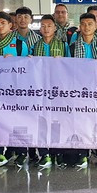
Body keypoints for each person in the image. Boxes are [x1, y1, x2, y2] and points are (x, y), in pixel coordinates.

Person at [70, 12, 97, 169]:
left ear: (96, 26)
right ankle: (82, 155)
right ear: (79, 27)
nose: (87, 27)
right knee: (81, 123)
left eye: (90, 24)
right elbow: (67, 69)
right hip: (80, 91)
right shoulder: (73, 46)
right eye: (83, 24)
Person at [0, 12, 27, 167]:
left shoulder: (20, 44)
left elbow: (28, 67)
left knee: (16, 122)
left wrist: (14, 62)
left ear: (11, 25)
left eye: (3, 23)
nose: (0, 26)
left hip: (15, 91)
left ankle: (19, 152)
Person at [29, 14, 70, 169]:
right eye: (43, 26)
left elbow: (72, 67)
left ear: (55, 28)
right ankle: (44, 154)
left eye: (49, 26)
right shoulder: (34, 46)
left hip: (58, 91)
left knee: (58, 122)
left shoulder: (64, 45)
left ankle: (57, 154)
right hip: (39, 91)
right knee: (41, 122)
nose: (46, 29)